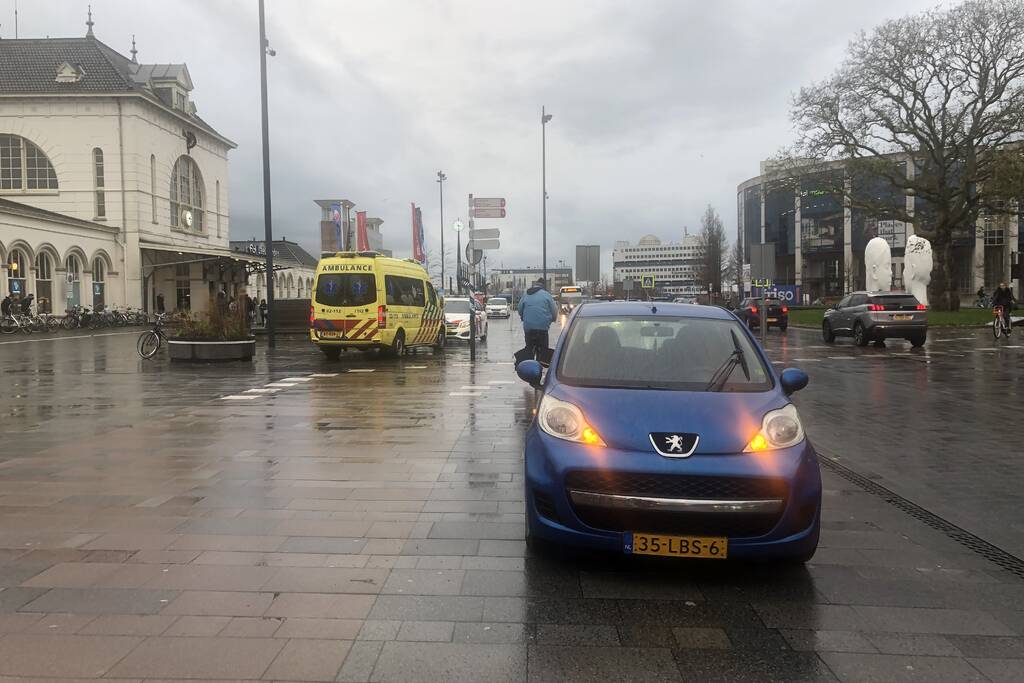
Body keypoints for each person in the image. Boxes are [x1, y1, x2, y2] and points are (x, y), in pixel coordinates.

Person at [517, 278, 559, 361]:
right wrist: (552, 319)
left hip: (529, 328)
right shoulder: (547, 295)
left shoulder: (526, 294)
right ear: (543, 286)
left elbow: (519, 309)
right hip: (542, 328)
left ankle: (529, 362)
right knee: (543, 352)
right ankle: (541, 362)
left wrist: (523, 318)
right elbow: (554, 311)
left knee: (529, 350)